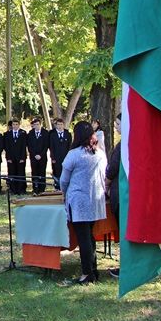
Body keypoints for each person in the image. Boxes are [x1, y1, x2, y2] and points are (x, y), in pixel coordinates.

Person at [59, 121, 107, 285]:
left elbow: (64, 180)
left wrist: (64, 193)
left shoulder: (74, 154)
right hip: (96, 199)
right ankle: (92, 270)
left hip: (79, 201)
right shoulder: (99, 153)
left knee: (84, 238)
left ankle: (87, 273)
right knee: (89, 236)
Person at [104, 114, 122, 278]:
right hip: (130, 193)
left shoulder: (123, 145)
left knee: (124, 231)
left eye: (118, 124)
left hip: (122, 192)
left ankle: (126, 266)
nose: (115, 127)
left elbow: (113, 168)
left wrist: (106, 184)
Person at [4, 119, 28, 195]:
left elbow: (24, 146)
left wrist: (22, 158)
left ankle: (21, 189)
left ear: (19, 125)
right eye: (13, 124)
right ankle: (12, 189)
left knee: (21, 173)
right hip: (11, 158)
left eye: (16, 124)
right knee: (12, 173)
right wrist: (8, 158)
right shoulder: (7, 134)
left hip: (20, 157)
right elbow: (6, 147)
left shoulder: (23, 133)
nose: (15, 126)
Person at [26, 118, 49, 194]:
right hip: (33, 157)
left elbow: (46, 145)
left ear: (40, 124)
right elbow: (29, 146)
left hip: (42, 157)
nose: (36, 126)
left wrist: (41, 155)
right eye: (35, 125)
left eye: (38, 124)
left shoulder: (45, 133)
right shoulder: (30, 133)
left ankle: (42, 189)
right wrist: (34, 155)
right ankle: (35, 189)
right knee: (34, 173)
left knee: (42, 173)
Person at [49, 118, 72, 190]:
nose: (59, 126)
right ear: (56, 125)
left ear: (63, 125)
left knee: (66, 172)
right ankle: (57, 187)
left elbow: (70, 146)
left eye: (61, 124)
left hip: (65, 157)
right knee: (57, 173)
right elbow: (51, 147)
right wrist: (53, 158)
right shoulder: (52, 135)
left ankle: (66, 187)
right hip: (56, 157)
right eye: (58, 124)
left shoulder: (68, 134)